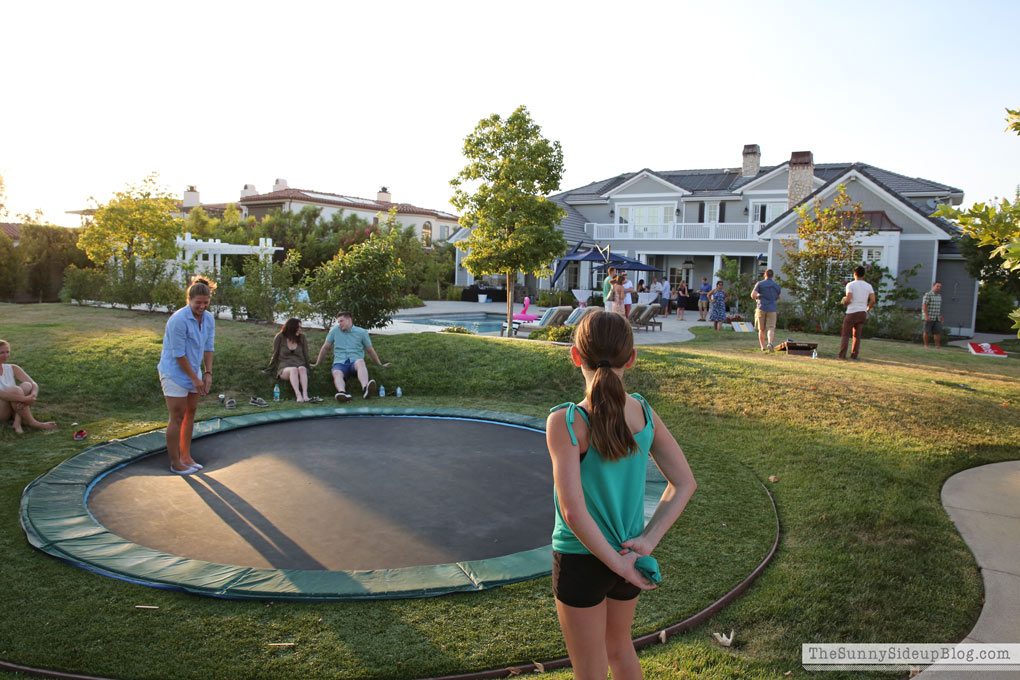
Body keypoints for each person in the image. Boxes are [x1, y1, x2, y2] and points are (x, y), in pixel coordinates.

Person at [547, 310, 696, 680]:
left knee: (590, 669)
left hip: (583, 560)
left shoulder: (566, 422)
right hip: (629, 555)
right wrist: (645, 543)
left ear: (575, 355)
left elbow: (573, 513)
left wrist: (619, 563)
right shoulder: (643, 412)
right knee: (620, 650)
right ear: (631, 358)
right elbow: (685, 483)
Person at [157, 276, 215, 475]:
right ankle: (175, 462)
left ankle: (186, 456)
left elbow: (209, 347)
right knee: (177, 415)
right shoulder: (178, 320)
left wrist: (207, 373)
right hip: (174, 371)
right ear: (189, 300)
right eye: (198, 303)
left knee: (190, 413)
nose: (202, 306)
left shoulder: (208, 318)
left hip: (194, 370)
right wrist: (194, 377)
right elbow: (178, 354)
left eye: (205, 303)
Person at [313, 311, 390, 402]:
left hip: (355, 363)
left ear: (349, 320)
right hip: (340, 363)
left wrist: (379, 364)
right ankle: (342, 393)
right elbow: (325, 347)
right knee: (337, 373)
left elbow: (370, 350)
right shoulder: (335, 331)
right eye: (338, 322)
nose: (339, 324)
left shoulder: (362, 332)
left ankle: (365, 389)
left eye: (341, 321)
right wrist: (317, 364)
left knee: (360, 362)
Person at [0, 340, 56, 434]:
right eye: (1, 353)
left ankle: (17, 422)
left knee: (27, 385)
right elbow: (3, 395)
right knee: (15, 390)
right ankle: (32, 422)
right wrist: (25, 399)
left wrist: (32, 396)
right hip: (1, 411)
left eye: (7, 352)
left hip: (14, 405)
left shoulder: (12, 368)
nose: (6, 355)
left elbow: (33, 384)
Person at [266, 318, 320, 403]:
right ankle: (298, 395)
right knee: (293, 369)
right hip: (285, 368)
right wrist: (269, 369)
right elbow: (275, 354)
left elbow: (306, 354)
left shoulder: (302, 337)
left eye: (300, 327)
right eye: (298, 327)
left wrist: (309, 367)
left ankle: (305, 395)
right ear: (291, 327)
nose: (300, 329)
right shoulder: (280, 337)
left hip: (300, 366)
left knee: (301, 368)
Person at [838, 266, 876, 360]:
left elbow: (849, 299)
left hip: (852, 311)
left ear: (854, 274)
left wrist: (844, 302)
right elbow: (873, 300)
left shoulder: (850, 285)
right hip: (862, 312)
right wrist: (867, 308)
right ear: (863, 274)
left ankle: (842, 355)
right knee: (857, 336)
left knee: (846, 335)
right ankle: (854, 355)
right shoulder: (868, 286)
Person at [750, 269, 782, 352]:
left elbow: (753, 295)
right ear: (773, 276)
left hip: (761, 307)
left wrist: (758, 296)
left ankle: (762, 347)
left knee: (761, 329)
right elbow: (779, 297)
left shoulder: (760, 284)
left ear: (765, 275)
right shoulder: (776, 285)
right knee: (771, 328)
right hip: (772, 308)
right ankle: (770, 343)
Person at [922, 281, 944, 349]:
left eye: (940, 287)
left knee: (937, 332)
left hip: (937, 317)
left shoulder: (939, 296)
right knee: (927, 331)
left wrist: (940, 316)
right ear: (933, 286)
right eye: (937, 286)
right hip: (929, 316)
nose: (938, 288)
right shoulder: (928, 294)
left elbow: (937, 307)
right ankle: (926, 345)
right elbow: (924, 305)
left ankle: (937, 346)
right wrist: (926, 316)